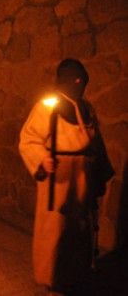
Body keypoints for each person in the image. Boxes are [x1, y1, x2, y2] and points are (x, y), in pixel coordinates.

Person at [19, 58, 114, 296]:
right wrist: (42, 159)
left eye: (83, 81)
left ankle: (77, 274)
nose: (79, 85)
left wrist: (100, 172)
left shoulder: (86, 108)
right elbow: (29, 139)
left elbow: (96, 142)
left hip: (82, 175)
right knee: (56, 230)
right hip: (59, 177)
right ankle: (52, 277)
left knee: (80, 227)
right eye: (76, 80)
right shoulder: (47, 107)